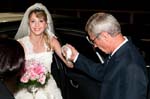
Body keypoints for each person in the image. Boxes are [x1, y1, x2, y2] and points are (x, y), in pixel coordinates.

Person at [62, 12, 148, 99]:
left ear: (105, 36)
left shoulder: (132, 66)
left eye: (93, 41)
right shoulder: (119, 52)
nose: (94, 45)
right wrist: (76, 56)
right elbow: (102, 72)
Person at [14, 3, 72, 99]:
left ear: (46, 24)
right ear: (28, 23)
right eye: (33, 21)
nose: (37, 25)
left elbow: (69, 64)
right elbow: (13, 71)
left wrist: (69, 54)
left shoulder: (52, 41)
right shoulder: (21, 44)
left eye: (40, 21)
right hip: (26, 90)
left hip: (49, 89)